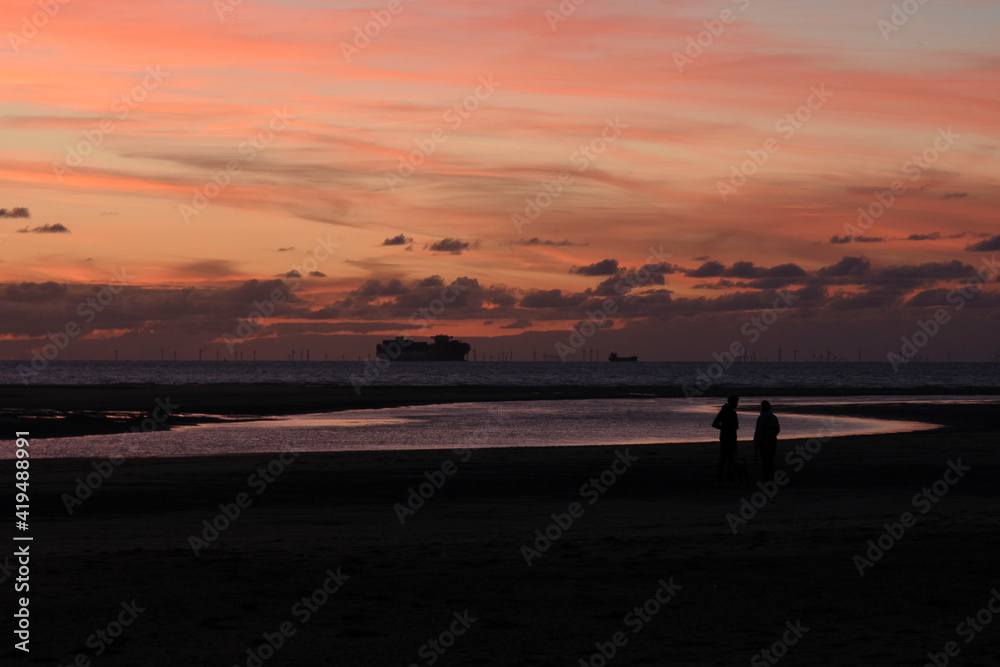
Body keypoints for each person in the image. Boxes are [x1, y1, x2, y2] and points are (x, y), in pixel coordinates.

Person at [712, 395, 739, 485]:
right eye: (736, 402)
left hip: (724, 438)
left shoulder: (723, 411)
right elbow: (736, 426)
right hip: (730, 438)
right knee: (729, 459)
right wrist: (726, 428)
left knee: (723, 459)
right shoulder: (730, 412)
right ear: (732, 402)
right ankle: (729, 478)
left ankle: (721, 478)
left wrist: (723, 428)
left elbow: (715, 424)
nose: (737, 404)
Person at [753, 400, 781, 481]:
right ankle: (772, 477)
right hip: (772, 440)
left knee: (765, 460)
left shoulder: (761, 417)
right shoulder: (773, 417)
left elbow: (758, 431)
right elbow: (777, 429)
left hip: (763, 441)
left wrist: (756, 442)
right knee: (771, 459)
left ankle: (767, 477)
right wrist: (772, 435)